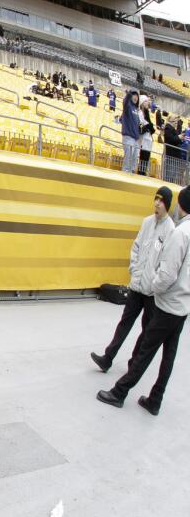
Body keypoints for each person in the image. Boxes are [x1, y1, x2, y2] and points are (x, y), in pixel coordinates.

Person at [97, 186, 190, 416]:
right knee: (169, 354)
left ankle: (119, 392)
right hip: (182, 306)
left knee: (145, 349)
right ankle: (155, 399)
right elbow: (138, 248)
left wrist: (155, 287)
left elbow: (167, 274)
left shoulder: (179, 232)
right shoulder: (160, 225)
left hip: (166, 302)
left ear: (179, 204)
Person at [92, 187, 174, 373]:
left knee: (146, 331)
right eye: (156, 199)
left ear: (167, 205)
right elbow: (136, 247)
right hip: (137, 287)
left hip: (153, 293)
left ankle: (133, 365)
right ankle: (108, 358)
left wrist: (155, 282)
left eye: (161, 201)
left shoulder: (170, 230)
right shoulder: (146, 222)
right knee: (124, 323)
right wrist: (134, 270)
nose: (156, 203)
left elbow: (166, 261)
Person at [120, 90, 141, 174]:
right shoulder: (128, 106)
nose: (136, 97)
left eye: (137, 96)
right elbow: (125, 102)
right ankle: (125, 172)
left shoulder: (136, 109)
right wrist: (129, 94)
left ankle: (131, 172)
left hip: (135, 138)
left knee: (135, 157)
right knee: (128, 156)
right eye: (134, 95)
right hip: (128, 137)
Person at [138, 96, 156, 176]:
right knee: (143, 157)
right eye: (145, 101)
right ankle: (141, 172)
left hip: (147, 138)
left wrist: (149, 126)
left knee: (146, 157)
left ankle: (143, 172)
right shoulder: (140, 113)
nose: (147, 103)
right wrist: (148, 126)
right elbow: (143, 126)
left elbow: (150, 126)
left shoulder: (146, 113)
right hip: (143, 139)